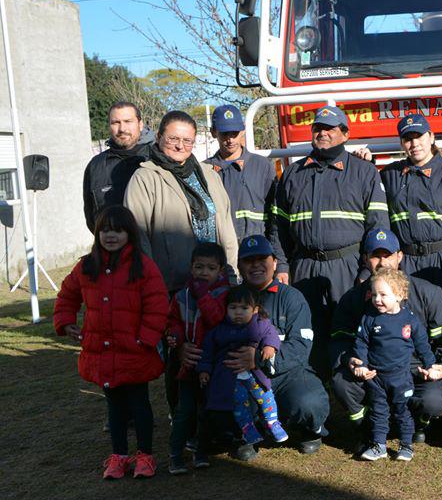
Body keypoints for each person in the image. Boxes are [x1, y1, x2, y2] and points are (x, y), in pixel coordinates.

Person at [175, 234, 330, 459]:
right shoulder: (227, 297)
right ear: (239, 266)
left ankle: (311, 429)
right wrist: (182, 345)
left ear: (275, 263)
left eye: (262, 259)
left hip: (288, 376)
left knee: (308, 403)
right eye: (249, 261)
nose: (256, 265)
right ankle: (243, 434)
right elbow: (205, 331)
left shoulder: (292, 297)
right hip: (240, 377)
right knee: (226, 403)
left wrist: (259, 359)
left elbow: (300, 346)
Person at [53, 205, 169, 479]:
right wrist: (66, 321)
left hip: (135, 350)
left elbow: (157, 305)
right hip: (102, 351)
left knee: (140, 404)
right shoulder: (87, 266)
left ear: (129, 233)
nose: (111, 235)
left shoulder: (143, 266)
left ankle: (145, 456)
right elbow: (67, 295)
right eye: (105, 230)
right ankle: (119, 456)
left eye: (117, 230)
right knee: (114, 406)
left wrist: (146, 339)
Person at [271, 106, 388, 357]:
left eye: (329, 129)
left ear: (345, 134)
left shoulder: (364, 172)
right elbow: (278, 227)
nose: (322, 133)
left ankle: (348, 387)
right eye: (317, 128)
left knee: (351, 333)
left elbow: (378, 227)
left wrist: (367, 270)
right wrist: (281, 266)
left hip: (348, 267)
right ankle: (313, 385)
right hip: (304, 266)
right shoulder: (293, 173)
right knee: (306, 333)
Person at [330, 228, 442, 445]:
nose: (382, 262)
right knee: (342, 383)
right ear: (365, 259)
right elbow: (339, 340)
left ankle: (418, 422)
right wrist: (351, 360)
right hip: (373, 372)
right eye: (375, 255)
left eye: (387, 255)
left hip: (414, 370)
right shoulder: (352, 299)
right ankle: (368, 427)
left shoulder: (428, 292)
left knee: (433, 401)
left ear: (400, 256)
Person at [125, 110, 238, 293]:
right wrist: (151, 286)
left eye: (187, 141)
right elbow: (138, 237)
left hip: (217, 287)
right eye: (173, 139)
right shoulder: (145, 178)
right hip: (172, 289)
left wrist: (231, 275)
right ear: (159, 136)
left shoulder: (209, 175)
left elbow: (227, 230)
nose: (180, 146)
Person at [380, 114, 442, 295]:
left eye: (419, 136)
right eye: (408, 139)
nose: (414, 143)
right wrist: (365, 161)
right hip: (404, 264)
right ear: (402, 144)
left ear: (431, 137)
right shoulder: (390, 175)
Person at [352, 268, 442, 462]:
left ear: (400, 295)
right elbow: (361, 343)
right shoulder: (369, 318)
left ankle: (406, 446)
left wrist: (430, 365)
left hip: (401, 377)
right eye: (374, 294)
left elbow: (422, 345)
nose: (377, 299)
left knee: (403, 411)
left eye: (383, 295)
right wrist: (361, 364)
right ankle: (379, 446)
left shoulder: (410, 320)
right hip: (376, 378)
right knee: (378, 411)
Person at [165, 242, 231, 475]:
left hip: (211, 365)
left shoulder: (224, 295)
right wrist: (175, 336)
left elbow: (215, 318)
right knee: (185, 411)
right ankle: (175, 454)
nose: (203, 272)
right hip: (188, 365)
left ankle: (200, 451)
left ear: (220, 271)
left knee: (206, 411)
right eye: (198, 267)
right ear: (191, 268)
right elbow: (173, 320)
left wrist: (202, 294)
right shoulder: (182, 295)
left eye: (210, 268)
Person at [197, 286, 289, 451]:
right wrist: (204, 370)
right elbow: (207, 351)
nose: (238, 312)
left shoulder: (260, 324)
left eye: (244, 308)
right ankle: (247, 428)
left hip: (255, 374)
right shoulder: (219, 330)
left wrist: (270, 346)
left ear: (255, 310)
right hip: (230, 377)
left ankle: (273, 422)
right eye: (233, 308)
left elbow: (271, 334)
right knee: (239, 403)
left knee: (265, 395)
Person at [205, 104, 288, 283]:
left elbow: (277, 221)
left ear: (243, 131)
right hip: (222, 261)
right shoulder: (205, 170)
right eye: (224, 133)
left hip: (258, 258)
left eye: (234, 133)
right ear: (213, 132)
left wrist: (280, 264)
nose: (230, 139)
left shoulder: (263, 166)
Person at [82, 102, 155, 233]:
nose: (122, 129)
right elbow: (91, 218)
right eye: (115, 122)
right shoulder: (95, 166)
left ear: (140, 124)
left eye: (128, 121)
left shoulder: (158, 159)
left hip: (154, 251)